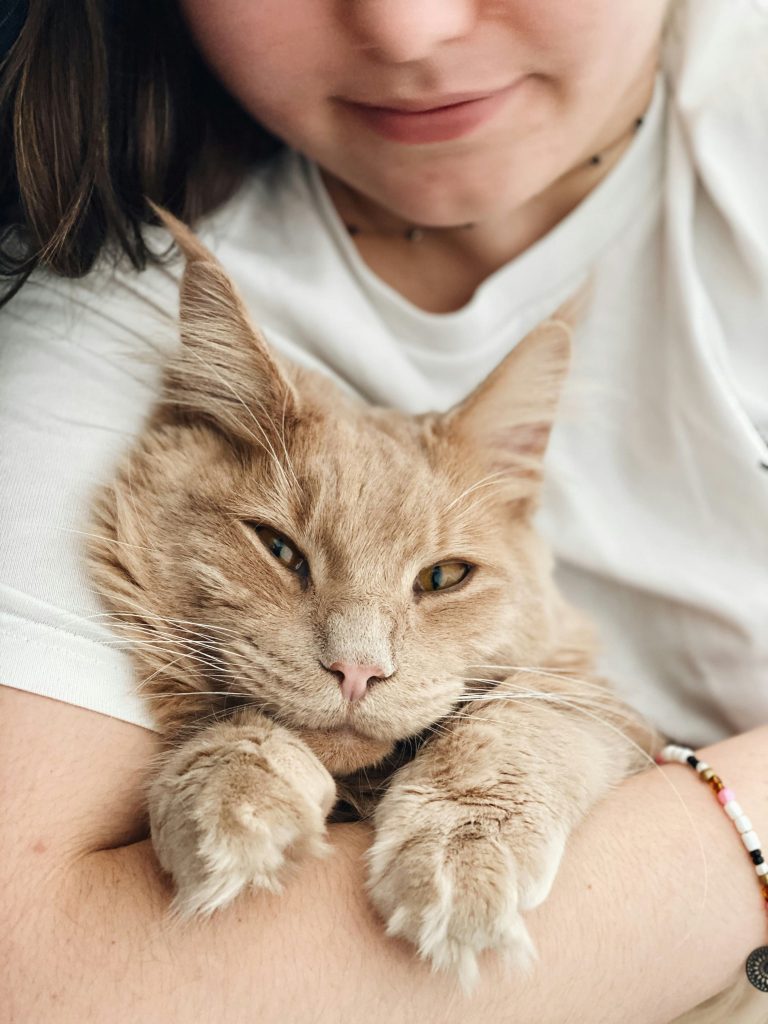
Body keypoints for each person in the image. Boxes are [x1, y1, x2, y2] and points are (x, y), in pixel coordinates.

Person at [1, 1, 766, 1020]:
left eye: (441, 577)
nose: (360, 656)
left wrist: (507, 768)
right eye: (284, 549)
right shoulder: (106, 318)